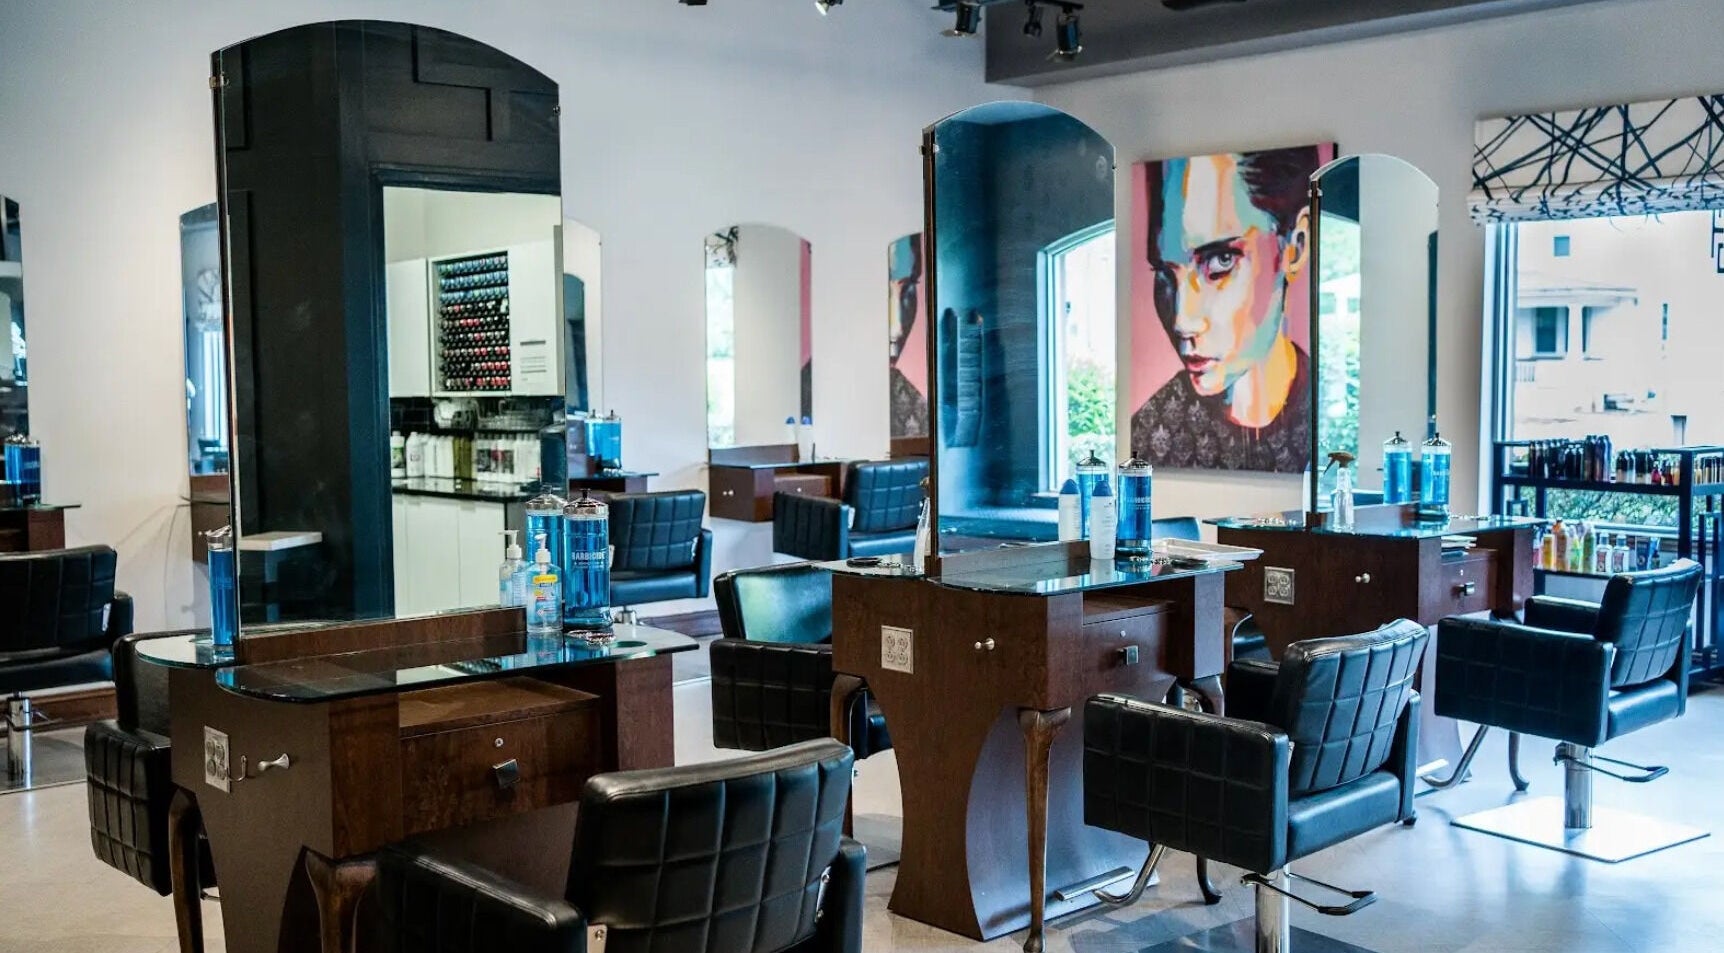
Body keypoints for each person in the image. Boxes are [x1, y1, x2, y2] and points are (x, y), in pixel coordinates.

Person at [1132, 147, 1322, 473]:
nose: (1182, 320)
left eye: (1220, 261)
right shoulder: (1150, 432)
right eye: (1165, 273)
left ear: (1296, 245)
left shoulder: (1334, 419)